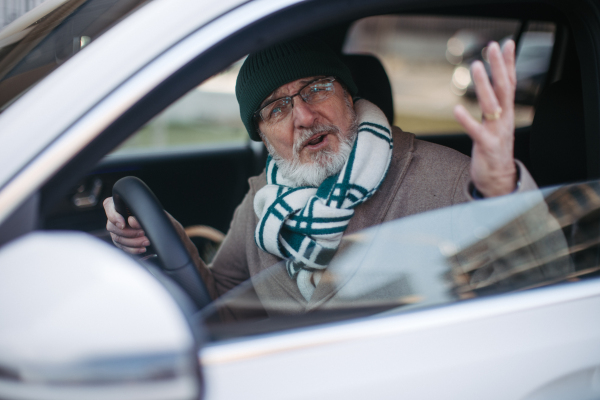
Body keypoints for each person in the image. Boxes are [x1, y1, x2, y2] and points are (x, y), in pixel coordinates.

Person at [104, 37, 537, 316]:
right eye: (277, 109)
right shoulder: (263, 201)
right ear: (263, 137)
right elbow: (225, 302)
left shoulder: (450, 179)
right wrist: (166, 239)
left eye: (316, 88)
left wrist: (501, 195)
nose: (305, 116)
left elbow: (533, 287)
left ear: (348, 95)